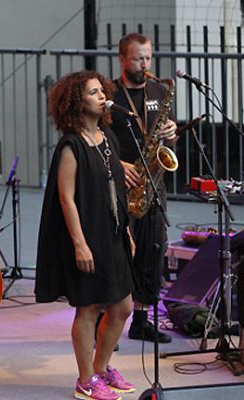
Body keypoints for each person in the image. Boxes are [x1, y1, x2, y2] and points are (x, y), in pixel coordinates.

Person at [35, 71, 136, 400]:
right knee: (90, 308)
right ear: (77, 102)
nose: (102, 96)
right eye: (94, 92)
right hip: (86, 236)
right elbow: (65, 198)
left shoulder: (107, 137)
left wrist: (128, 231)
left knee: (122, 306)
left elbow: (117, 188)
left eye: (101, 91)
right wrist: (79, 243)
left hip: (113, 232)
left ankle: (102, 367)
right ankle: (85, 379)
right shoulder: (70, 145)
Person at [109, 32, 178, 343]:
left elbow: (169, 138)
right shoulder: (109, 94)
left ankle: (141, 320)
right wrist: (118, 166)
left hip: (153, 182)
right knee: (115, 254)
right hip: (120, 181)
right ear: (122, 59)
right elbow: (96, 138)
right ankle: (105, 323)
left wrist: (172, 133)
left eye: (148, 57)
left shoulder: (159, 91)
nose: (145, 64)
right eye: (138, 58)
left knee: (152, 252)